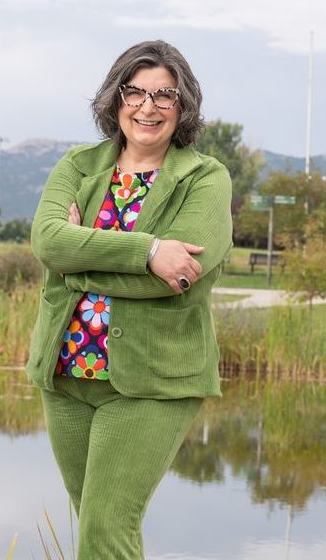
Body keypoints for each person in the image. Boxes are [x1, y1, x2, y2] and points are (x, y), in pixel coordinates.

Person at [27, 40, 233, 559]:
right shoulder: (79, 165)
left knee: (106, 528)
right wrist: (149, 250)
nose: (148, 106)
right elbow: (49, 242)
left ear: (183, 106)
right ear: (114, 98)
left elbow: (176, 277)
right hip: (67, 373)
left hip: (152, 382)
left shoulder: (204, 178)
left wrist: (78, 267)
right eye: (135, 91)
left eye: (165, 94)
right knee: (98, 529)